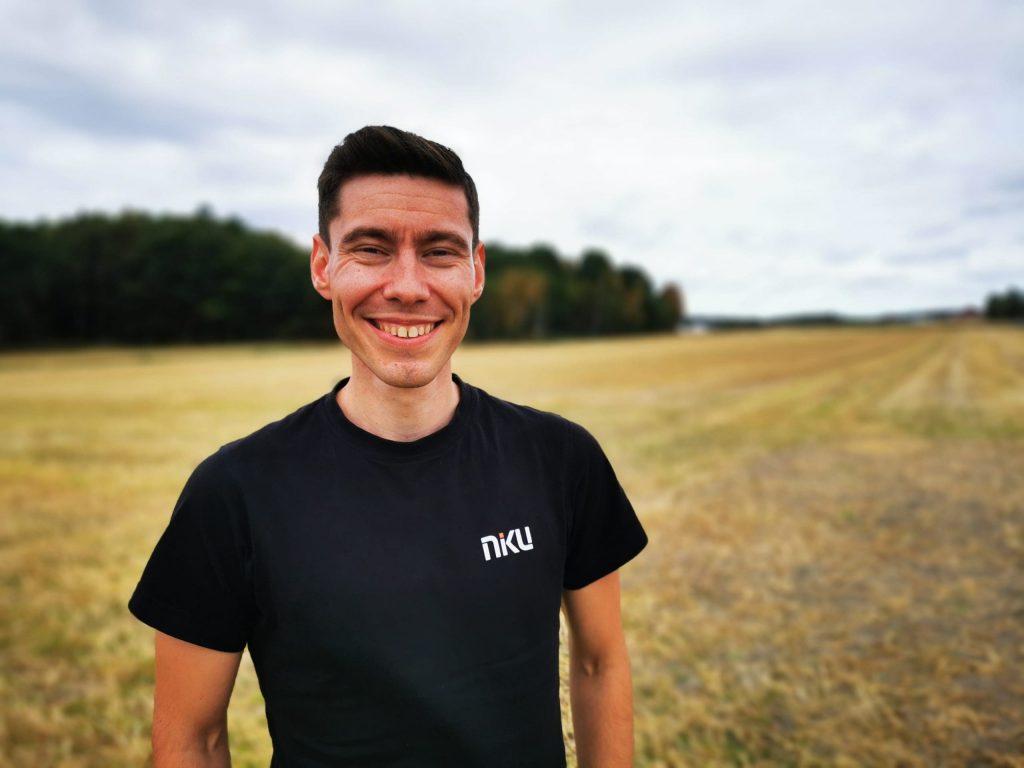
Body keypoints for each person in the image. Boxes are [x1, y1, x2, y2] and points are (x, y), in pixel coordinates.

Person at [129, 125, 648, 767]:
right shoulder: (233, 494)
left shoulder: (561, 460)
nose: (407, 286)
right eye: (371, 249)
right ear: (323, 266)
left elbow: (599, 663)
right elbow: (194, 738)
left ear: (476, 271)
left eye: (439, 252)